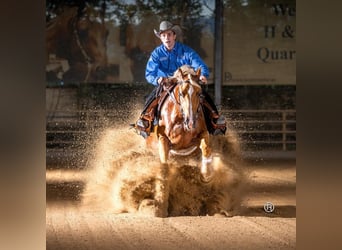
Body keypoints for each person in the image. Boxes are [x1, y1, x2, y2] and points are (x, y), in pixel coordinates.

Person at [132, 20, 226, 138]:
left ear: (174, 36)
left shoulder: (186, 51)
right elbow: (149, 73)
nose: (167, 38)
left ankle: (215, 121)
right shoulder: (156, 54)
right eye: (163, 35)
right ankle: (145, 121)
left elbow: (199, 64)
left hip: (185, 82)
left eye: (169, 34)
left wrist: (203, 75)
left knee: (202, 95)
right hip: (166, 83)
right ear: (160, 38)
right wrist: (158, 80)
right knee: (153, 97)